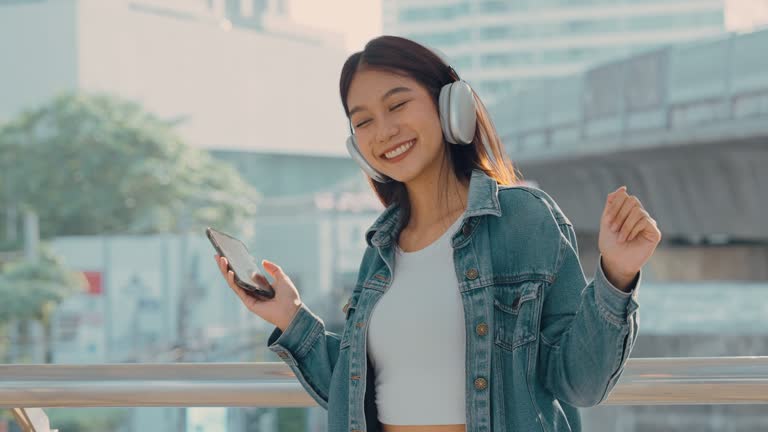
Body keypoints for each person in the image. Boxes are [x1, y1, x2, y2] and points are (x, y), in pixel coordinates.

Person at [215, 35, 661, 432]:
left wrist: (616, 276)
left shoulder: (524, 220)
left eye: (397, 104)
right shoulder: (380, 250)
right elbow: (355, 393)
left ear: (451, 106)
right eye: (363, 120)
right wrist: (290, 318)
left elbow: (579, 382)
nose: (383, 130)